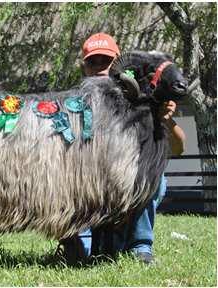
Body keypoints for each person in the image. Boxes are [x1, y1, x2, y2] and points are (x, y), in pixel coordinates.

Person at [63, 32, 186, 264]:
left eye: (106, 61)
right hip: (86, 200)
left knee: (154, 178)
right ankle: (79, 242)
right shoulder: (73, 106)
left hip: (123, 199)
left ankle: (141, 245)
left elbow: (179, 149)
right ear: (84, 67)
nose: (99, 67)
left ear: (118, 64)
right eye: (93, 62)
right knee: (85, 256)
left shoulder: (140, 100)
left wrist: (166, 119)